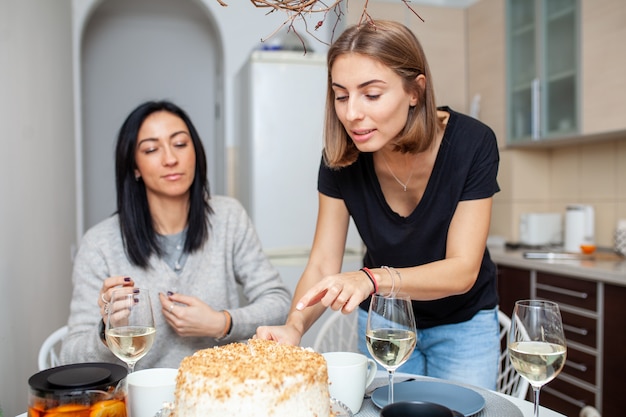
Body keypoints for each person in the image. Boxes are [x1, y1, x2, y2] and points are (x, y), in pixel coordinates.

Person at [256, 20, 501, 390]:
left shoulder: (473, 144)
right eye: (341, 95)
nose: (352, 113)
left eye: (371, 95)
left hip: (463, 324)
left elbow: (463, 269)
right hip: (385, 324)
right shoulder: (341, 159)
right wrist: (295, 325)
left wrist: (371, 279)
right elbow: (323, 262)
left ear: (415, 91)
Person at [61, 100, 291, 369]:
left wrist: (221, 322)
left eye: (180, 144)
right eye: (150, 149)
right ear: (134, 166)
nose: (170, 159)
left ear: (196, 152)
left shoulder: (228, 217)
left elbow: (278, 301)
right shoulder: (99, 244)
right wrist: (107, 330)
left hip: (218, 394)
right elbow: (70, 356)